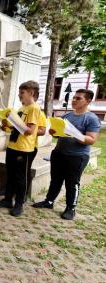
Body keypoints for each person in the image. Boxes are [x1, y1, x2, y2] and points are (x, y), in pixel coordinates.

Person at [32, 89, 101, 220]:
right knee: (56, 180)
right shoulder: (67, 116)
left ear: (88, 101)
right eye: (74, 98)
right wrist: (54, 132)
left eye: (78, 98)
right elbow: (58, 134)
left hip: (77, 156)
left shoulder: (91, 118)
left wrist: (75, 134)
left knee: (72, 183)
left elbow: (91, 139)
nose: (74, 100)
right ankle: (49, 202)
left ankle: (71, 208)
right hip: (59, 153)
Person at [0, 80, 41, 217]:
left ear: (31, 92)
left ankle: (19, 203)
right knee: (11, 174)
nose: (19, 95)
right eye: (19, 92)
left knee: (20, 177)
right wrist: (7, 124)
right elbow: (16, 127)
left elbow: (29, 131)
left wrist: (14, 120)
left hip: (24, 149)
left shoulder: (34, 108)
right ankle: (7, 199)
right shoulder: (21, 109)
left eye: (22, 92)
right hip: (13, 145)